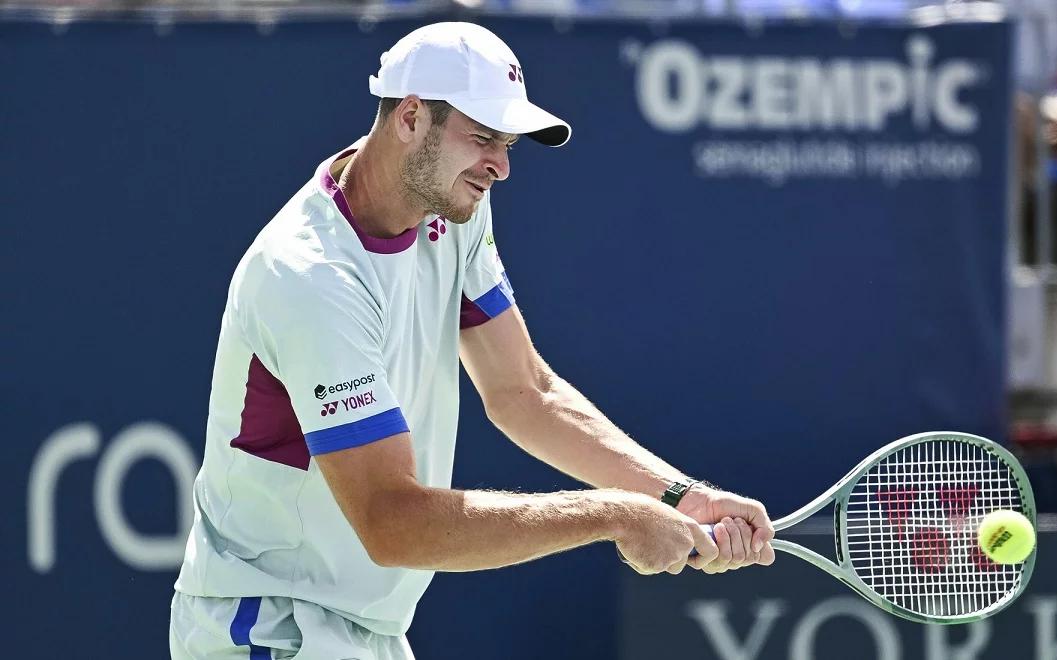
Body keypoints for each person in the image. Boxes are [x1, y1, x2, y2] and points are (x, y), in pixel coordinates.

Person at [169, 22, 774, 660]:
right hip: (269, 627)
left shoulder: (453, 209)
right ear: (409, 118)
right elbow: (392, 521)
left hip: (360, 631)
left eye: (507, 144)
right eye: (482, 138)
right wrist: (614, 515)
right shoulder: (310, 275)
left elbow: (524, 391)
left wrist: (678, 495)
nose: (502, 166)